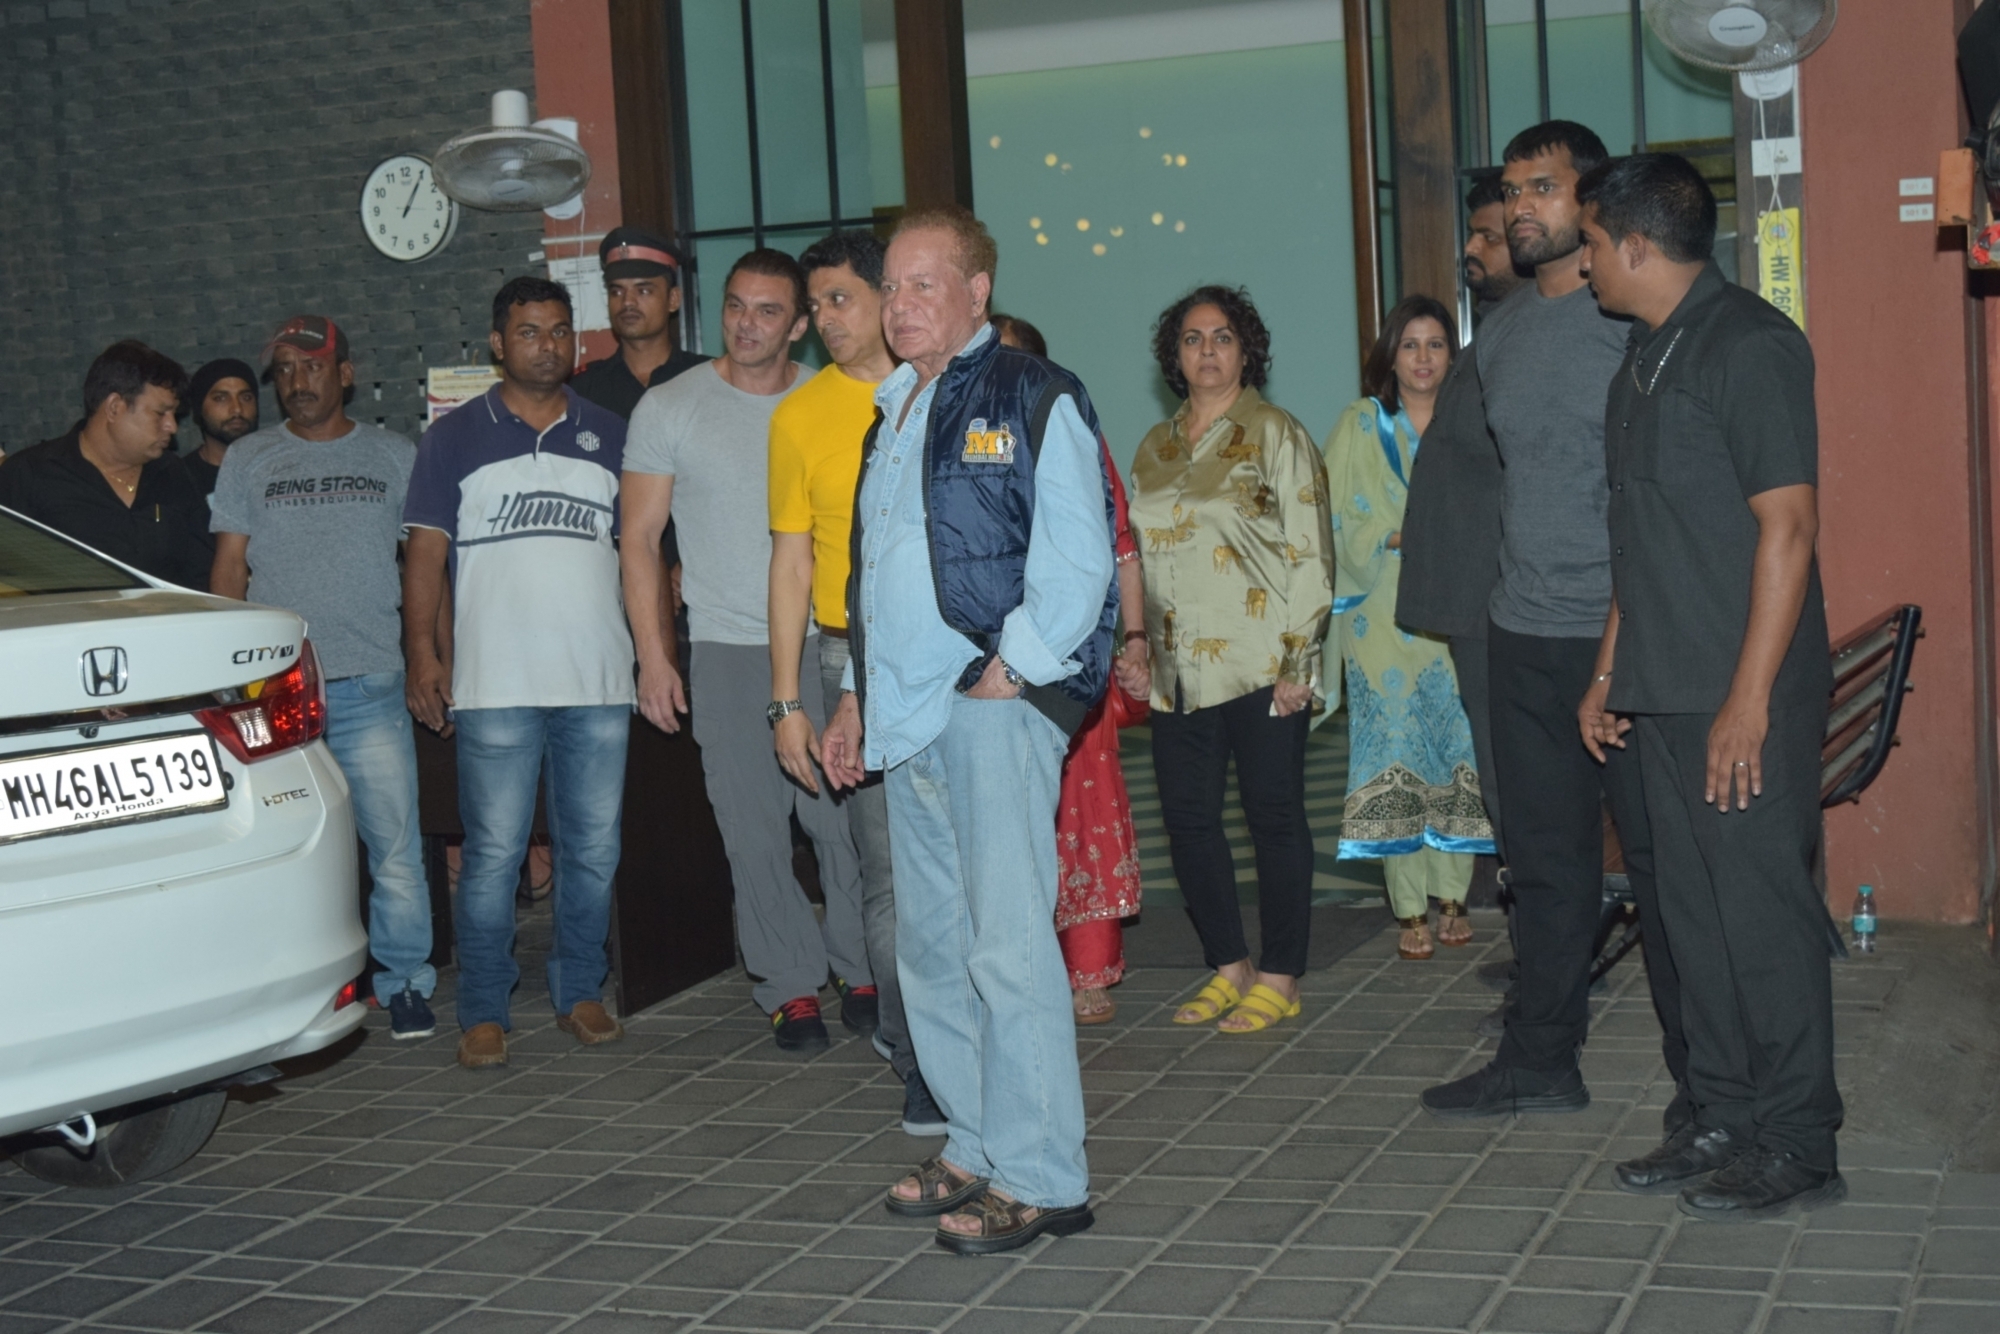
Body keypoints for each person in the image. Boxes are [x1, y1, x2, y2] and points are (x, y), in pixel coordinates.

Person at [821, 205, 1116, 1256]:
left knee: (1005, 945)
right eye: (889, 287)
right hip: (905, 712)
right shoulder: (889, 410)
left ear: (976, 290)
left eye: (921, 283)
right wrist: (856, 694)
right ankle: (978, 1140)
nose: (899, 306)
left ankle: (1044, 1174)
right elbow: (877, 574)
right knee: (932, 951)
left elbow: (1080, 558)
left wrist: (1017, 663)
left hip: (992, 705)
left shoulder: (1033, 393)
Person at [1576, 153, 1843, 1219]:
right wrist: (1605, 671)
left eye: (1592, 239)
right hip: (1660, 688)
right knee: (1690, 920)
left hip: (1743, 692)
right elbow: (1637, 544)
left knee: (1759, 918)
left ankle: (1798, 1139)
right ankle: (1721, 1113)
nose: (1584, 258)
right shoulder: (1637, 363)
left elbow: (1788, 527)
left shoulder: (1752, 346)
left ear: (1636, 244)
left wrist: (1747, 702)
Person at [1417, 121, 1690, 1127]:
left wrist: (1625, 635)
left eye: (1544, 185)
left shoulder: (1632, 328)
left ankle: (1703, 1080)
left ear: (1590, 204)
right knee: (1537, 861)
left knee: (1661, 868)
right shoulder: (1497, 340)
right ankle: (1540, 1058)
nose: (1520, 204)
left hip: (1618, 637)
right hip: (1518, 629)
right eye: (1511, 187)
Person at [624, 249, 872, 1055]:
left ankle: (863, 967)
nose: (748, 323)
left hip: (825, 644)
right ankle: (789, 985)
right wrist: (655, 657)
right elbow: (638, 540)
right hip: (727, 647)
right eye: (736, 306)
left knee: (841, 820)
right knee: (753, 827)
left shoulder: (832, 398)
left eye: (769, 311)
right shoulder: (670, 406)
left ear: (799, 323)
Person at [402, 276, 634, 1070]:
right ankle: (482, 1008)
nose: (548, 345)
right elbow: (424, 556)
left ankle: (579, 992)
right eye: (530, 332)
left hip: (599, 681)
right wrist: (423, 657)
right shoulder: (455, 437)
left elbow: (639, 554)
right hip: (495, 684)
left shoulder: (612, 432)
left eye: (561, 331)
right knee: (496, 852)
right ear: (498, 343)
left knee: (593, 850)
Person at [208, 316, 434, 1039]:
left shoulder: (396, 456)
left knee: (394, 850)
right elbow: (230, 569)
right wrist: (222, 676)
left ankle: (404, 984)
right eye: (284, 370)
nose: (297, 380)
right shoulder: (249, 458)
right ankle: (289, 994)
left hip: (371, 683)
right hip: (276, 697)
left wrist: (428, 655)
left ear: (345, 373)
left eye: (312, 366)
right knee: (278, 852)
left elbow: (428, 568)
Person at [766, 232, 943, 1121]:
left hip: (954, 653)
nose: (821, 320)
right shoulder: (799, 416)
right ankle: (919, 1061)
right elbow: (790, 567)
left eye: (839, 299)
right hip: (851, 661)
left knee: (964, 867)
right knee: (890, 879)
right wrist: (788, 702)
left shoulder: (943, 393)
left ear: (888, 295)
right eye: (816, 304)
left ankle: (975, 1032)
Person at [1124, 286, 1334, 1035]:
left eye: (1221, 337)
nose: (1206, 350)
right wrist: (1136, 641)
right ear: (1173, 355)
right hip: (1178, 670)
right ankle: (1230, 968)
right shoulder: (1155, 445)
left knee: (1273, 817)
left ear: (1247, 351)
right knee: (1187, 823)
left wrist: (1297, 663)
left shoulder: (1277, 433)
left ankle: (1282, 974)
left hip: (1261, 662)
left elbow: (1312, 553)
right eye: (1191, 338)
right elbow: (1136, 556)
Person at [1323, 296, 1495, 961]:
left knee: (1455, 746)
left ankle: (1453, 895)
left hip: (1457, 610)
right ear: (1389, 358)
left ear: (1453, 356)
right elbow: (1331, 516)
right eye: (1410, 346)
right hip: (1381, 613)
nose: (1424, 359)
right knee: (1392, 752)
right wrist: (1392, 532)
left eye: (1436, 346)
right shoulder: (1360, 425)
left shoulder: (1471, 423)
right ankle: (1409, 908)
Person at [993, 311, 1146, 1025]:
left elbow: (1119, 547)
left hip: (1070, 653)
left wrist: (1136, 637)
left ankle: (1089, 970)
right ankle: (1017, 966)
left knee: (1079, 804)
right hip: (983, 657)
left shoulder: (1071, 430)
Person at [569, 227, 709, 659]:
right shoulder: (582, 393)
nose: (627, 303)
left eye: (644, 290)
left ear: (672, 299)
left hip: (706, 595)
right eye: (617, 291)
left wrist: (700, 563)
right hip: (606, 599)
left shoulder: (710, 382)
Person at [0, 341, 210, 589]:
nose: (172, 426)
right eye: (160, 413)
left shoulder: (173, 473)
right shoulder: (30, 474)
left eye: (174, 415)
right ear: (114, 408)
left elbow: (202, 570)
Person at [179, 358, 260, 498]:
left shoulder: (278, 468)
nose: (237, 409)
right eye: (220, 398)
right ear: (199, 410)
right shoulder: (180, 479)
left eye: (246, 397)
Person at [1463, 171, 1528, 315]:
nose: (1469, 248)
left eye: (1490, 238)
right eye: (1470, 234)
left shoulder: (1547, 324)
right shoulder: (1494, 321)